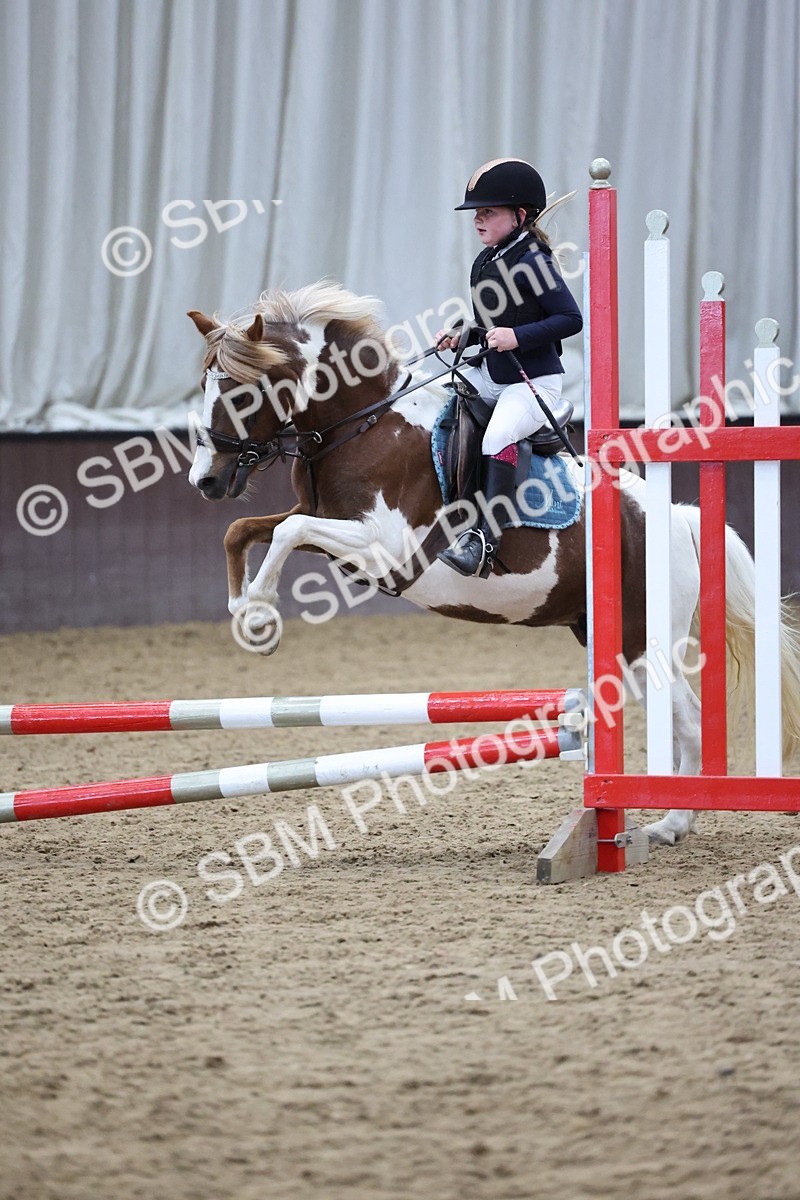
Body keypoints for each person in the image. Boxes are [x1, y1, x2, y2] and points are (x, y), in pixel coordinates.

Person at [435, 157, 583, 578]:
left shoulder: (534, 260)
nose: (478, 221)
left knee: (499, 434)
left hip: (533, 382)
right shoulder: (488, 258)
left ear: (520, 215)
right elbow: (494, 324)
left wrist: (516, 338)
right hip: (494, 375)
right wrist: (464, 335)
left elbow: (571, 319)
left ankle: (484, 541)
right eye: (477, 213)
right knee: (437, 401)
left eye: (489, 212)